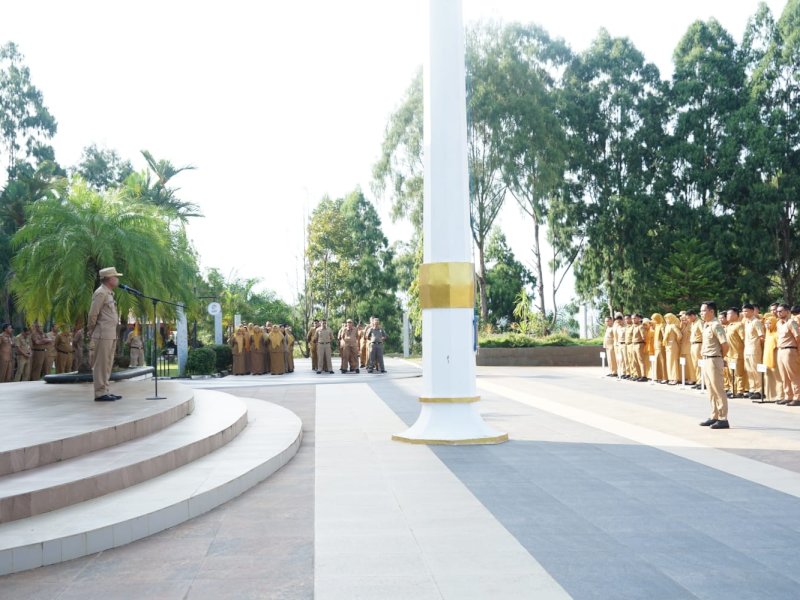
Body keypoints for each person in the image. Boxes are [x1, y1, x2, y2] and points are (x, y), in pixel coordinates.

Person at [87, 267, 123, 401]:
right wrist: (91, 330)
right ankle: (100, 392)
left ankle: (105, 390)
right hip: (102, 334)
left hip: (111, 334)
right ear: (109, 279)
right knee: (101, 364)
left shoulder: (109, 293)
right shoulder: (100, 293)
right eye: (116, 276)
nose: (117, 279)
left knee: (107, 363)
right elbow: (93, 313)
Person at [699, 301, 730, 429]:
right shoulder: (706, 325)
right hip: (706, 359)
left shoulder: (716, 325)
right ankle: (714, 415)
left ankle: (723, 418)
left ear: (711, 311)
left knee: (718, 389)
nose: (701, 313)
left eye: (704, 310)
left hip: (714, 359)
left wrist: (720, 357)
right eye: (701, 311)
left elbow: (725, 345)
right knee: (711, 389)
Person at [775, 304, 800, 406]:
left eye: (781, 311)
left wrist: (798, 350)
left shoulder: (791, 322)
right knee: (784, 375)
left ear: (787, 311)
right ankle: (788, 396)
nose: (778, 313)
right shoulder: (779, 324)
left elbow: (798, 337)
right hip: (780, 350)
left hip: (790, 350)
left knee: (793, 375)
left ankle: (797, 397)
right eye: (777, 311)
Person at [742, 303, 765, 400]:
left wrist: (759, 347)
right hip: (747, 349)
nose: (744, 313)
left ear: (752, 311)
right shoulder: (746, 322)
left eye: (746, 311)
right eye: (743, 311)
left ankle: (759, 390)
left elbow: (762, 337)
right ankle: (752, 388)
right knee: (749, 370)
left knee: (756, 370)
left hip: (754, 349)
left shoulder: (756, 322)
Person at [725, 308, 748, 398]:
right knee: (731, 373)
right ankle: (732, 389)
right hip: (729, 354)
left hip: (737, 354)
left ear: (735, 315)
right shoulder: (728, 326)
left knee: (739, 373)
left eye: (729, 314)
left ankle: (740, 391)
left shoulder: (739, 325)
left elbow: (744, 339)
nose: (727, 316)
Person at [763, 314, 784, 402]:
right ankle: (769, 396)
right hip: (767, 359)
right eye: (766, 323)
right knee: (768, 377)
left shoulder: (777, 334)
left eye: (770, 323)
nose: (767, 325)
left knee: (778, 377)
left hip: (775, 358)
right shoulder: (767, 334)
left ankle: (780, 396)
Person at [663, 313, 682, 385]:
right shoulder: (667, 326)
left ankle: (675, 378)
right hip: (667, 346)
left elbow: (679, 335)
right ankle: (671, 377)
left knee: (673, 362)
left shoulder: (673, 326)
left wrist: (676, 341)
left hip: (673, 345)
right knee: (669, 362)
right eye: (665, 319)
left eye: (667, 318)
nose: (666, 320)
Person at [679, 312, 696, 385]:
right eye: (682, 320)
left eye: (685, 319)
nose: (683, 321)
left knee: (690, 364)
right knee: (684, 364)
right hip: (683, 347)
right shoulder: (683, 326)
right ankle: (685, 377)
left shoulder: (691, 326)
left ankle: (693, 378)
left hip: (689, 347)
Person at [688, 310, 703, 389]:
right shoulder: (693, 323)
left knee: (699, 364)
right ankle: (698, 381)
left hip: (698, 344)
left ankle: (702, 382)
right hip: (693, 345)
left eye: (689, 318)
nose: (688, 320)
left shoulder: (699, 322)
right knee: (695, 364)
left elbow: (704, 333)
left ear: (693, 316)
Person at [650, 313, 667, 383]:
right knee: (657, 362)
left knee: (662, 361)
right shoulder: (657, 326)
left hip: (660, 346)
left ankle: (665, 377)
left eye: (654, 319)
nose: (653, 321)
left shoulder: (662, 325)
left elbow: (664, 335)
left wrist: (664, 343)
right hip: (656, 345)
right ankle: (659, 377)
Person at [631, 314, 647, 381]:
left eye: (635, 318)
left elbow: (644, 337)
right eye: (632, 318)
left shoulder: (641, 327)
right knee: (635, 361)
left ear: (638, 319)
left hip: (639, 344)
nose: (633, 320)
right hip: (634, 344)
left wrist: (642, 343)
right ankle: (638, 375)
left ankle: (643, 376)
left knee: (641, 360)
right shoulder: (634, 327)